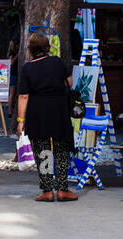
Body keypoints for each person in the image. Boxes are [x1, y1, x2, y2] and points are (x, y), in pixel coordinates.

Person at [16, 31, 77, 202]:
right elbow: (70, 82)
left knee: (43, 150)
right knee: (61, 149)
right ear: (47, 47)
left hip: (38, 112)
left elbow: (23, 96)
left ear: (30, 49)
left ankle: (47, 191)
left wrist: (21, 121)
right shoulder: (57, 62)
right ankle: (63, 189)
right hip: (59, 110)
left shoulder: (27, 68)